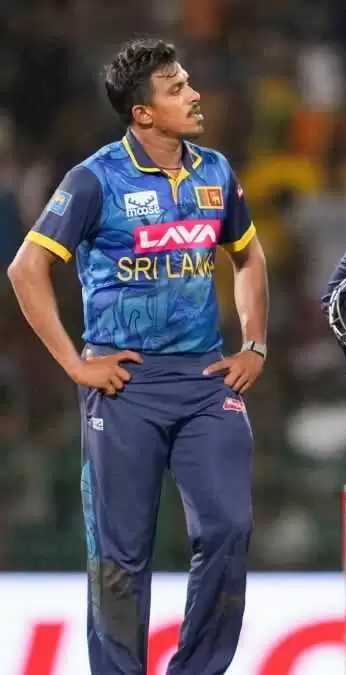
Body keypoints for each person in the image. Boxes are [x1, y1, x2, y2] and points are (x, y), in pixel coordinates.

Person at [6, 38, 268, 674]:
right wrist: (75, 365)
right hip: (125, 385)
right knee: (120, 557)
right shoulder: (94, 179)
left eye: (189, 82)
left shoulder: (215, 172)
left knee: (228, 529)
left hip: (205, 378)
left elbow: (248, 257)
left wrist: (255, 343)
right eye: (177, 89)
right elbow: (26, 269)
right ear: (142, 113)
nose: (195, 95)